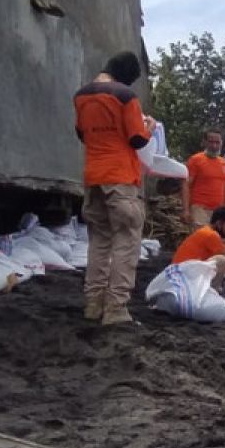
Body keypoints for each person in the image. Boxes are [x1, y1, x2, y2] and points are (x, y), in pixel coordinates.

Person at [73, 51, 154, 325]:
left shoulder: (81, 96)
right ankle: (116, 308)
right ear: (126, 76)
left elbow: (82, 133)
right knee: (127, 240)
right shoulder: (124, 96)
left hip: (93, 177)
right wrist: (150, 128)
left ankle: (93, 303)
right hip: (120, 177)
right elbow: (136, 139)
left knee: (99, 241)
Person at [182, 129, 225, 226]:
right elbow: (186, 185)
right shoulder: (195, 160)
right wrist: (186, 210)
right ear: (205, 142)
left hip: (218, 211)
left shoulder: (224, 164)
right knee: (203, 237)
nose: (214, 146)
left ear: (221, 142)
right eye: (211, 142)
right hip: (200, 209)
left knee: (217, 239)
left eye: (217, 142)